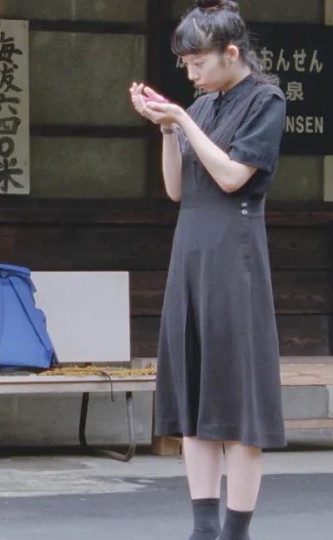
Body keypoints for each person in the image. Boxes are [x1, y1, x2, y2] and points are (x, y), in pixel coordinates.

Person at [129, 1, 286, 539]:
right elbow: (176, 189)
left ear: (231, 53)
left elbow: (232, 177)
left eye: (198, 62)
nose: (191, 72)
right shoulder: (202, 106)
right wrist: (167, 129)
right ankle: (202, 527)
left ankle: (235, 530)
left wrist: (183, 121)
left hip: (234, 254)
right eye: (186, 63)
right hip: (191, 250)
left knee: (239, 403)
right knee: (192, 396)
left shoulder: (265, 100)